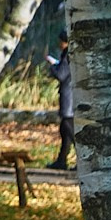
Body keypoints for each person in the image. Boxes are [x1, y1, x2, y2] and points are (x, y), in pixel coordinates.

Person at [45, 31, 75, 170]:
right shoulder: (73, 54)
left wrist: (52, 65)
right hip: (71, 95)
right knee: (65, 129)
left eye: (60, 42)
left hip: (69, 97)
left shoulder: (68, 55)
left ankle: (84, 160)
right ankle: (61, 160)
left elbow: (61, 74)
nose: (59, 44)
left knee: (70, 129)